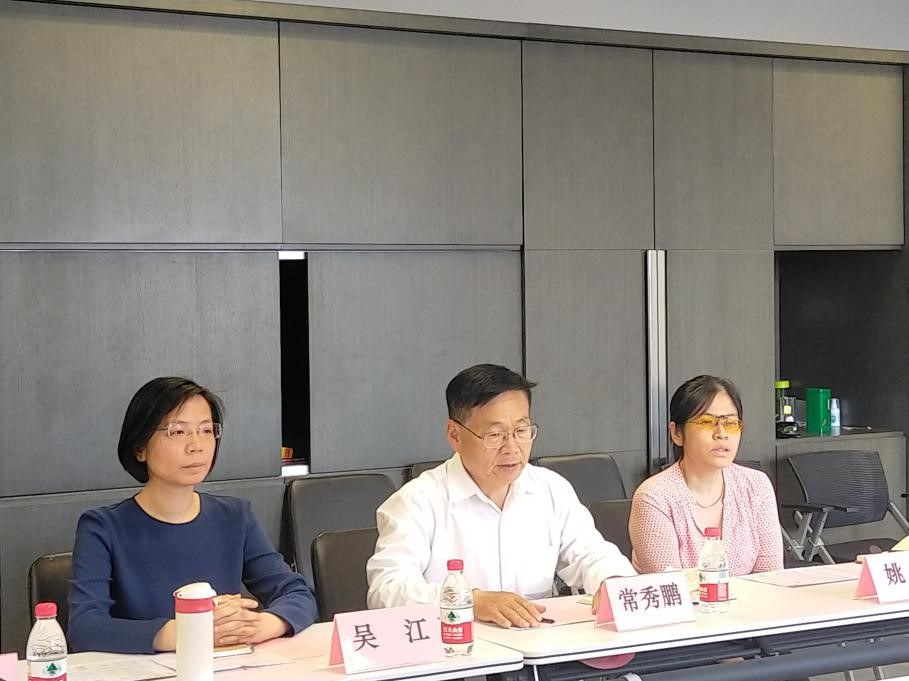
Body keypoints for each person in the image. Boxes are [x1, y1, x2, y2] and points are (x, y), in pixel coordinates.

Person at [366, 363, 635, 627]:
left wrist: (612, 581)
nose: (512, 448)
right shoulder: (417, 501)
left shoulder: (550, 489)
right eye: (494, 435)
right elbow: (386, 589)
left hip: (537, 643)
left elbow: (591, 554)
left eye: (521, 431)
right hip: (456, 647)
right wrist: (470, 600)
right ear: (455, 435)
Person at [68, 377, 318, 654]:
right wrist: (190, 631)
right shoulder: (102, 527)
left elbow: (297, 593)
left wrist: (259, 624)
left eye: (206, 430)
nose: (196, 445)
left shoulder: (235, 516)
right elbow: (85, 627)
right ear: (140, 448)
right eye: (177, 432)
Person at [629, 375, 783, 575]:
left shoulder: (755, 486)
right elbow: (671, 586)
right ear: (677, 433)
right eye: (707, 422)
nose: (721, 433)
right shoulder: (654, 497)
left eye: (730, 423)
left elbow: (771, 578)